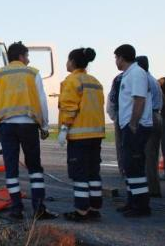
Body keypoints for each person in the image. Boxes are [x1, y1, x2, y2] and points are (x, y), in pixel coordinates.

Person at [0, 41, 58, 220]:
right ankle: (39, 208)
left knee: (11, 169)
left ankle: (16, 209)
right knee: (34, 167)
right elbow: (42, 101)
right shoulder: (32, 73)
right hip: (28, 125)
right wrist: (44, 125)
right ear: (20, 56)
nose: (28, 59)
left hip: (7, 126)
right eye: (26, 56)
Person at [58, 48, 105, 222]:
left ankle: (81, 210)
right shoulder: (95, 81)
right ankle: (94, 208)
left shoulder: (71, 81)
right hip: (96, 134)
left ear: (72, 61)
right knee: (93, 173)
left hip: (79, 136)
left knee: (79, 174)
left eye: (68, 59)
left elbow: (69, 106)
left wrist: (64, 129)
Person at [114, 44, 153, 217]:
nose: (116, 61)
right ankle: (132, 201)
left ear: (121, 57)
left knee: (135, 166)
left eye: (116, 57)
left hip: (135, 127)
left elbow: (139, 100)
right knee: (130, 167)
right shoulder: (129, 74)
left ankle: (141, 206)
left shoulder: (137, 73)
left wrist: (133, 123)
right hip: (128, 126)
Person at [136, 56, 163, 197]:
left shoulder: (143, 80)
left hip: (149, 117)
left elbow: (140, 101)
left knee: (147, 156)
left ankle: (151, 189)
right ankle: (153, 187)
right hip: (157, 116)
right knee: (152, 155)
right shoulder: (154, 80)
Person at [106, 73, 125, 176]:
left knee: (121, 145)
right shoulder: (143, 76)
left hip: (121, 115)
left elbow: (111, 99)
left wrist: (114, 117)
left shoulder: (118, 78)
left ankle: (123, 169)